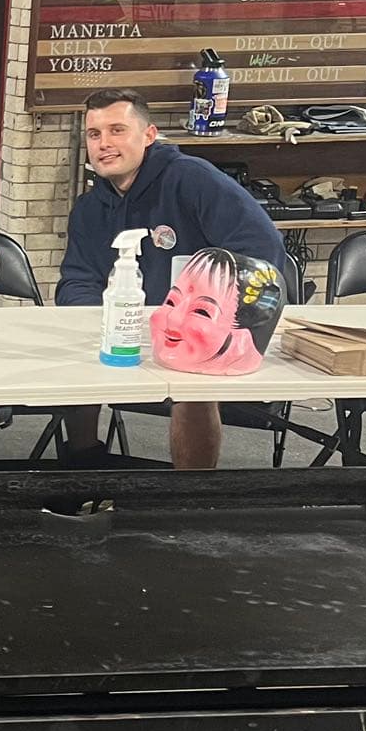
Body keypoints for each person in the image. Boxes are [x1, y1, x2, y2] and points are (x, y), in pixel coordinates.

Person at [54, 88, 286, 468]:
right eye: (95, 135)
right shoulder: (88, 209)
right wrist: (100, 321)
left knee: (193, 389)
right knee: (74, 364)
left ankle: (188, 493)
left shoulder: (192, 180)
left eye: (117, 130)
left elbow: (261, 250)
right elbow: (77, 278)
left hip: (192, 332)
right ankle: (84, 469)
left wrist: (210, 316)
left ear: (149, 135)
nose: (104, 144)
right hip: (122, 329)